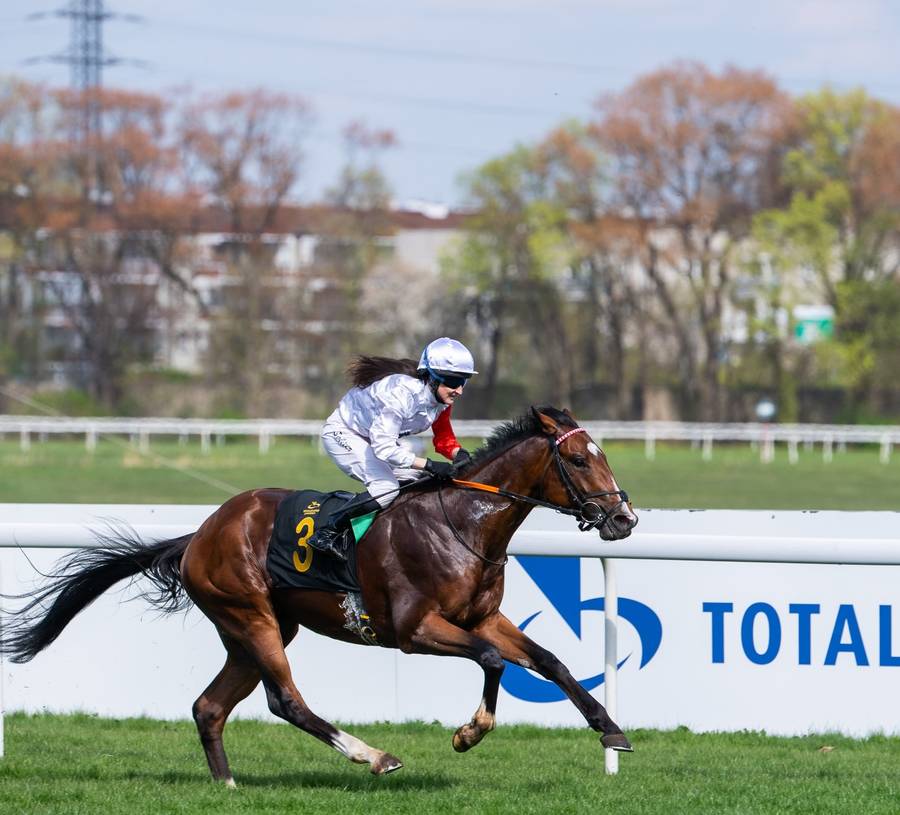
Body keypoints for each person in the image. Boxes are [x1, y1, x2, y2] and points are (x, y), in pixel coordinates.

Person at [308, 337, 477, 559]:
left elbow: (443, 437)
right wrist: (429, 464)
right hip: (344, 433)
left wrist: (459, 454)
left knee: (419, 481)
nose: (459, 390)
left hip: (374, 439)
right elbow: (385, 449)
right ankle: (328, 531)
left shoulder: (440, 401)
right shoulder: (401, 395)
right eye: (454, 381)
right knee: (385, 487)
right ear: (432, 378)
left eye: (463, 382)